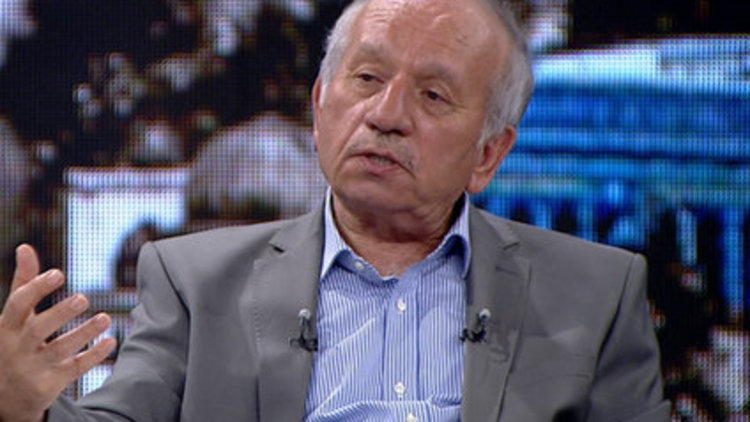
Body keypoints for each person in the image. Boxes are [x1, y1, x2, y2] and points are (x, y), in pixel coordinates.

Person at [0, 0, 671, 420]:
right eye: (368, 79)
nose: (386, 115)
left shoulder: (598, 295)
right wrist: (24, 406)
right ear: (321, 105)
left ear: (489, 154)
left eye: (433, 95)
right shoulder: (192, 282)